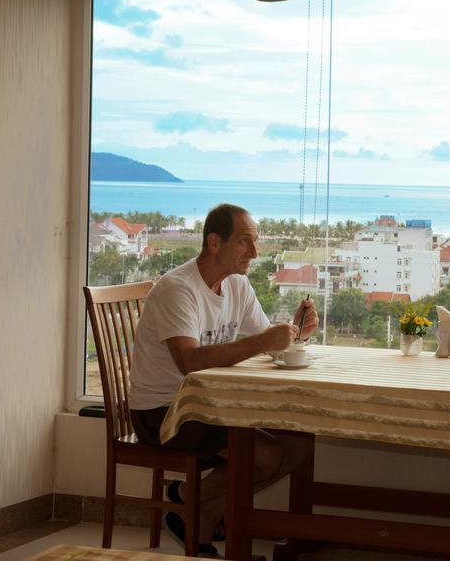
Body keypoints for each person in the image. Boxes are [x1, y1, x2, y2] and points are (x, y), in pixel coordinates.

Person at [129, 203, 317, 555]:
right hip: (163, 412)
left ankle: (190, 507)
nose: (255, 252)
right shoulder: (178, 289)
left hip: (209, 407)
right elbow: (189, 361)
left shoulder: (237, 286)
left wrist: (297, 334)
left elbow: (267, 344)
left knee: (299, 444)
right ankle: (198, 527)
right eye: (245, 242)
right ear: (214, 242)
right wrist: (264, 341)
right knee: (263, 456)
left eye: (255, 241)